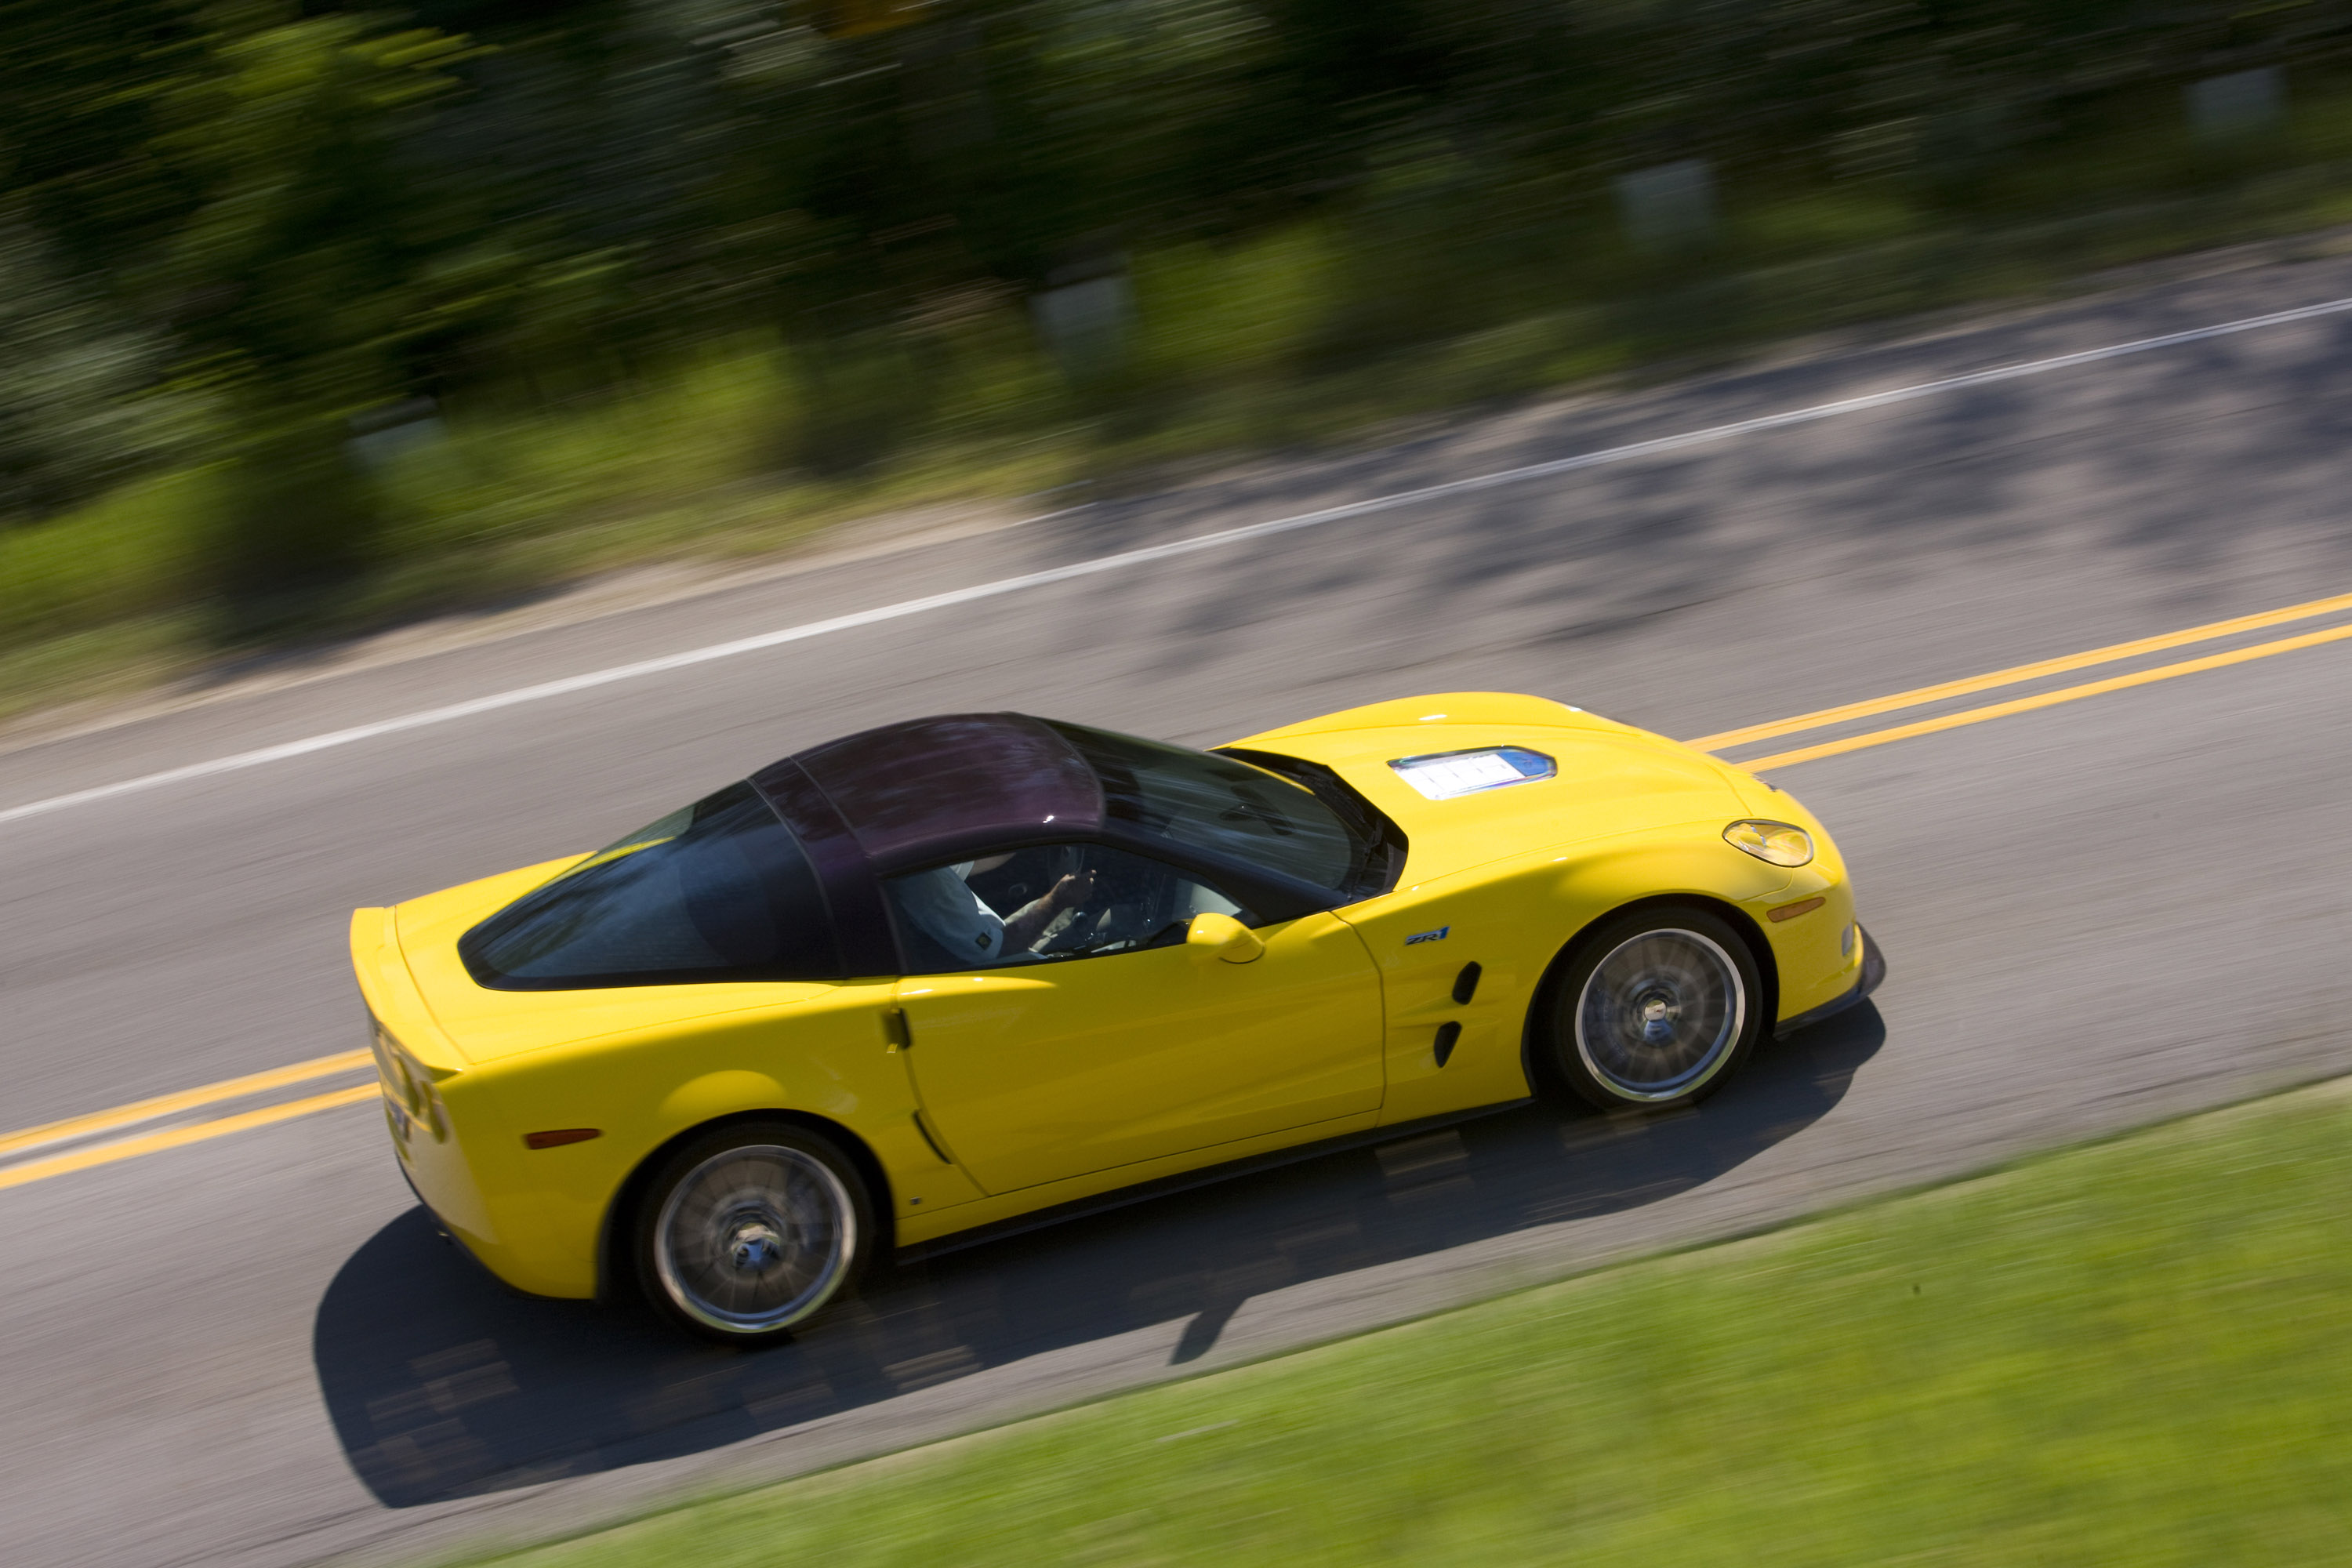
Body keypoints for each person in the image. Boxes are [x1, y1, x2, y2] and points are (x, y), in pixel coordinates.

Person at [893, 856, 1094, 964]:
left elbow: (970, 864)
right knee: (1115, 921)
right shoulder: (925, 882)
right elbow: (997, 951)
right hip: (1001, 954)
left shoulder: (916, 853)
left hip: (995, 936)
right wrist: (1058, 900)